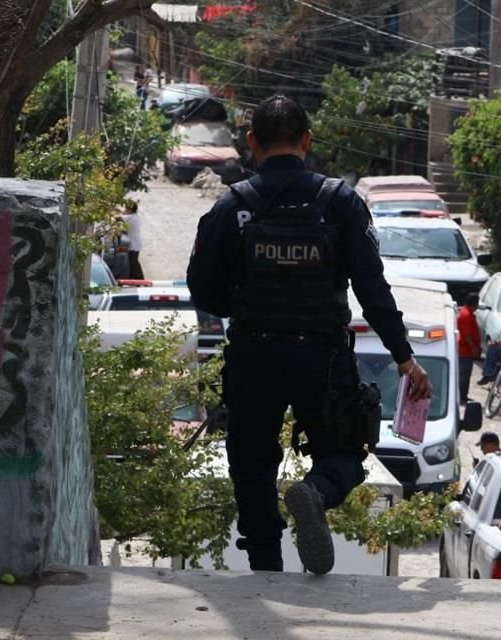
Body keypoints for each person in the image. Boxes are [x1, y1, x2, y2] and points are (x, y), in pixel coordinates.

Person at [186, 94, 433, 575]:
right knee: (343, 453)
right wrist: (405, 357)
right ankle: (315, 492)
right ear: (307, 141)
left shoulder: (229, 207)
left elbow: (202, 290)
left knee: (253, 467)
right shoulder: (339, 203)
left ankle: (266, 577)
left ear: (251, 142)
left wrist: (243, 307)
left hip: (253, 358)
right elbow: (371, 288)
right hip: (321, 357)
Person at [457, 292, 481, 404]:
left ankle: (463, 396)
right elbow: (467, 336)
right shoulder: (466, 315)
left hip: (465, 351)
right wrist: (474, 349)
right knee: (464, 376)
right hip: (465, 351)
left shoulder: (466, 313)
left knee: (464, 375)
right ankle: (462, 397)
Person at [120, 200, 144, 280]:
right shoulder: (136, 216)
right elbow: (124, 214)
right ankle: (139, 279)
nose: (125, 210)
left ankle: (137, 280)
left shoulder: (129, 218)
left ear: (129, 210)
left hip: (133, 245)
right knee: (135, 263)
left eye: (126, 209)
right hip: (136, 243)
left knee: (132, 264)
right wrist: (120, 211)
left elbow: (118, 218)